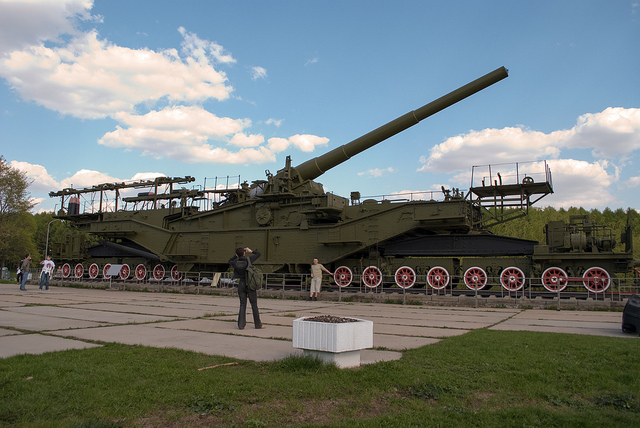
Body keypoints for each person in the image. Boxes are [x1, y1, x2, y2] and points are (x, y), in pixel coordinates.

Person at [229, 247, 265, 330]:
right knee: (254, 305)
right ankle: (258, 324)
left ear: (237, 254)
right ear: (244, 253)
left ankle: (241, 325)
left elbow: (229, 261)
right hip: (250, 285)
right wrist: (251, 251)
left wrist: (236, 256)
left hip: (241, 285)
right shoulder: (249, 260)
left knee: (242, 305)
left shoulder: (235, 262)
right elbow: (258, 254)